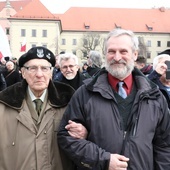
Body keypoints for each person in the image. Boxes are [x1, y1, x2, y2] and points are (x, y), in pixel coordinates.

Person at [57, 29, 170, 169]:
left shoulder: (155, 97)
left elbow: (165, 146)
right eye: (111, 51)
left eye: (123, 51)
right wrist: (103, 160)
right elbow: (65, 136)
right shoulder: (85, 93)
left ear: (135, 55)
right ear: (105, 54)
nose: (117, 57)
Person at [0, 46, 87, 170]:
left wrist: (85, 132)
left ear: (51, 73)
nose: (39, 74)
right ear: (23, 73)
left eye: (44, 68)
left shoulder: (68, 102)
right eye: (33, 68)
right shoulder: (4, 104)